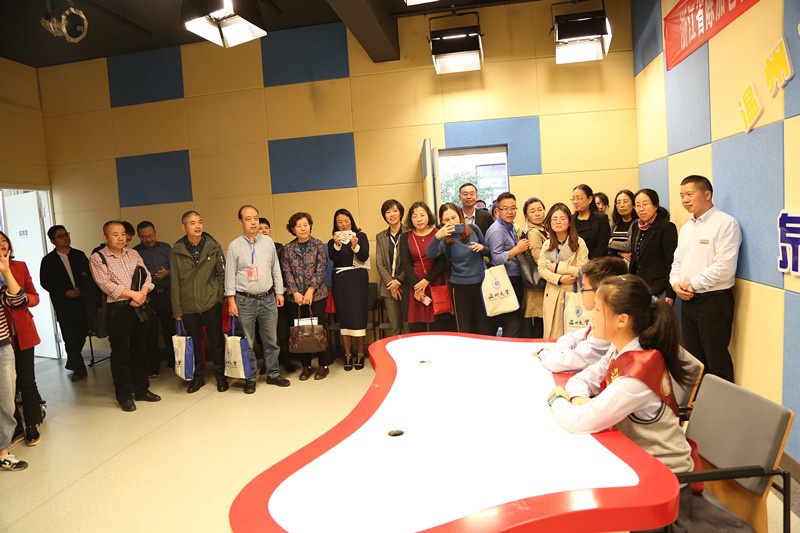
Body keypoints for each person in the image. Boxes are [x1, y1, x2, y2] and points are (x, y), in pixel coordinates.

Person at [548, 275, 753, 532]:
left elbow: (579, 420)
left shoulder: (637, 373)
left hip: (663, 483)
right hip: (638, 464)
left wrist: (557, 399)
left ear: (622, 320)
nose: (592, 316)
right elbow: (584, 378)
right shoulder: (621, 348)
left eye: (598, 310)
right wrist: (578, 399)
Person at [669, 175, 742, 382]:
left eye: (689, 194)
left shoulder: (726, 224)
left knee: (716, 360)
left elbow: (724, 267)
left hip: (714, 302)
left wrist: (692, 285)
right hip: (688, 301)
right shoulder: (686, 228)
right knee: (694, 360)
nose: (685, 200)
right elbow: (677, 261)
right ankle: (699, 400)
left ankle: (724, 402)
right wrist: (675, 284)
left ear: (707, 194)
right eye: (682, 195)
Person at [89, 221, 160, 412]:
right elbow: (105, 284)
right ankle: (124, 395)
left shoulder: (133, 253)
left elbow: (147, 276)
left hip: (139, 305)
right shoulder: (98, 258)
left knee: (140, 350)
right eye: (115, 234)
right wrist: (133, 294)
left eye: (122, 234)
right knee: (121, 354)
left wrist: (142, 293)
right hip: (118, 310)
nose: (120, 238)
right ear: (105, 237)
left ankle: (142, 389)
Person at [225, 205, 291, 392]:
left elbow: (275, 269)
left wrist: (279, 292)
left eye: (256, 218)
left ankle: (273, 374)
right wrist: (231, 300)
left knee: (271, 340)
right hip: (244, 300)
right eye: (248, 219)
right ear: (240, 222)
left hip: (268, 298)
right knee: (247, 341)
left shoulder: (268, 242)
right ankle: (250, 377)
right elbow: (229, 275)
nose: (253, 222)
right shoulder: (234, 246)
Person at [536, 256, 628, 372]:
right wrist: (563, 352)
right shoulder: (600, 317)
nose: (581, 293)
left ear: (600, 292)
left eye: (584, 288)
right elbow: (571, 337)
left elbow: (562, 362)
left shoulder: (608, 328)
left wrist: (543, 353)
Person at [170, 211, 228, 393]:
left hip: (211, 302)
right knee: (195, 342)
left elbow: (222, 273)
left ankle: (221, 376)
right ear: (184, 227)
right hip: (188, 304)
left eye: (200, 222)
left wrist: (219, 297)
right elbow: (174, 281)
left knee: (216, 341)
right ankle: (198, 377)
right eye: (193, 222)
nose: (197, 226)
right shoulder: (177, 250)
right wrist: (177, 309)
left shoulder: (213, 245)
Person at [1, 232, 44, 446]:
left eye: (4, 241)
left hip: (22, 332)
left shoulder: (19, 266)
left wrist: (24, 299)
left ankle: (32, 424)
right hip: (3, 336)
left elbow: (34, 296)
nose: (2, 245)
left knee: (27, 380)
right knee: (8, 386)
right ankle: (16, 426)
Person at [427, 202, 492, 335]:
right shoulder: (444, 239)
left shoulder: (473, 229)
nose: (451, 222)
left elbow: (487, 249)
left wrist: (481, 248)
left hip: (480, 284)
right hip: (459, 285)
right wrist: (438, 235)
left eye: (453, 217)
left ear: (460, 216)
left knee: (484, 324)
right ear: (441, 221)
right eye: (446, 220)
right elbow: (431, 254)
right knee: (463, 325)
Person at [280, 212, 331, 380]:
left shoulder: (318, 245)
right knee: (301, 331)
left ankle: (324, 364)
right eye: (299, 226)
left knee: (319, 329)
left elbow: (321, 268)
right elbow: (286, 272)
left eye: (305, 225)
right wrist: (295, 292)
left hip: (317, 295)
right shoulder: (288, 249)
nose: (303, 228)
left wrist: (310, 290)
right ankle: (306, 366)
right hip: (296, 298)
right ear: (293, 229)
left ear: (310, 226)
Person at [39, 225, 90, 382]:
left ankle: (73, 361)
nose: (65, 238)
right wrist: (64, 292)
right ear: (52, 241)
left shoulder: (79, 255)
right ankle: (79, 368)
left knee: (82, 334)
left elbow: (89, 274)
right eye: (60, 236)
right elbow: (45, 282)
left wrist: (82, 288)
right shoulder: (48, 260)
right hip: (64, 305)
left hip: (82, 302)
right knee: (70, 337)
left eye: (66, 234)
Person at [538, 203, 589, 338]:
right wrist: (560, 278)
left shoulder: (579, 243)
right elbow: (542, 269)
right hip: (552, 292)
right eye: (554, 219)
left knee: (573, 333)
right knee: (553, 334)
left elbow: (583, 269)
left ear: (569, 222)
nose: (558, 222)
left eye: (562, 218)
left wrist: (557, 268)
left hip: (573, 292)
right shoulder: (547, 244)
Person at [328, 209, 370, 371]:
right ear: (335, 224)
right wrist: (337, 245)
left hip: (358, 279)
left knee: (358, 316)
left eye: (346, 221)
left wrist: (355, 246)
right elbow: (334, 258)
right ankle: (347, 354)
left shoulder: (361, 236)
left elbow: (364, 256)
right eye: (340, 222)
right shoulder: (333, 241)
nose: (344, 224)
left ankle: (360, 353)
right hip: (341, 281)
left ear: (351, 221)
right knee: (344, 316)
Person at [398, 202, 450, 333]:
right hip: (414, 285)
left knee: (439, 326)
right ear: (410, 219)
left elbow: (441, 262)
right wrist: (417, 287)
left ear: (429, 216)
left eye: (422, 215)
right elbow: (406, 264)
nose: (419, 219)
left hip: (435, 281)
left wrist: (426, 281)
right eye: (415, 216)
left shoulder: (438, 234)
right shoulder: (405, 237)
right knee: (417, 328)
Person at [0, 248, 29, 471]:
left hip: (2, 347)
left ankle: (3, 452)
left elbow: (18, 299)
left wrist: (5, 270)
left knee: (6, 402)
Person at [486, 192, 530, 338]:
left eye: (513, 208)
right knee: (512, 323)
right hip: (506, 280)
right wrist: (516, 250)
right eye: (505, 208)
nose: (510, 212)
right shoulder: (497, 230)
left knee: (515, 321)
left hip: (514, 278)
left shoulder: (510, 226)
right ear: (497, 211)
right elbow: (496, 258)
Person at [134, 221, 174, 375]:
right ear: (139, 237)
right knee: (150, 332)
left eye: (150, 236)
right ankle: (153, 366)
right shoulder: (135, 252)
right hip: (148, 297)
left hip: (166, 294)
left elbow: (177, 267)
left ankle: (173, 361)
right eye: (144, 237)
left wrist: (168, 272)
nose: (148, 239)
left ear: (155, 233)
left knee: (170, 329)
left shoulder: (165, 248)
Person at [259, 218, 294, 374]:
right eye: (260, 228)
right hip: (260, 296)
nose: (264, 230)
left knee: (282, 329)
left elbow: (285, 270)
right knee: (263, 331)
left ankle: (286, 359)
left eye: (266, 227)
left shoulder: (279, 248)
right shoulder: (252, 250)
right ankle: (267, 362)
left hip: (279, 294)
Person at [630, 189, 678, 302]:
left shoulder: (666, 227)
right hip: (639, 286)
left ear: (655, 206)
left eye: (645, 204)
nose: (641, 209)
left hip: (659, 287)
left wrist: (670, 293)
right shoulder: (636, 226)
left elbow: (671, 261)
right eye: (637, 205)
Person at [375, 199, 407, 338]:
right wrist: (392, 284)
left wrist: (398, 281)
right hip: (388, 288)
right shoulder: (380, 237)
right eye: (388, 212)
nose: (392, 214)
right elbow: (379, 263)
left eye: (395, 211)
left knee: (408, 325)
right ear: (384, 216)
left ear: (400, 213)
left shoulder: (409, 233)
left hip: (406, 284)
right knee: (394, 327)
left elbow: (410, 262)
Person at [521, 197, 547, 338]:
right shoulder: (533, 232)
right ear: (526, 215)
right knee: (539, 321)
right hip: (537, 282)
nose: (537, 213)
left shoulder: (543, 229)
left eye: (540, 209)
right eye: (533, 211)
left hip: (541, 282)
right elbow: (538, 258)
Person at [571, 184, 610, 259]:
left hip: (595, 262)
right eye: (573, 199)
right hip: (573, 262)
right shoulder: (570, 220)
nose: (575, 202)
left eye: (579, 198)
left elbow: (602, 246)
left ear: (590, 199)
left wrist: (590, 264)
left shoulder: (601, 219)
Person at [608, 189, 637, 261]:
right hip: (613, 260)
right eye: (618, 202)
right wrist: (619, 253)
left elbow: (628, 246)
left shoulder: (637, 223)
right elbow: (604, 244)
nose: (621, 205)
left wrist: (611, 243)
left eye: (625, 202)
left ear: (633, 204)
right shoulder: (614, 223)